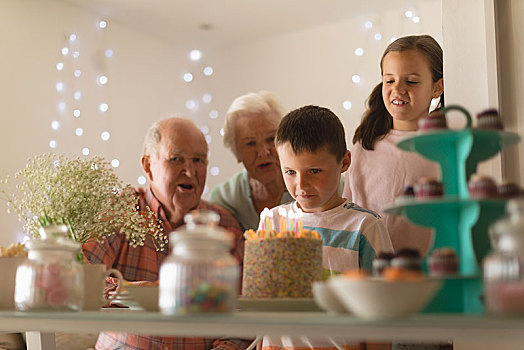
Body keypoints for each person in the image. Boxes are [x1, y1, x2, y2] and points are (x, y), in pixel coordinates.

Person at [82, 117, 251, 350]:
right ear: (148, 165)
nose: (190, 171)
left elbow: (242, 319)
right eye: (176, 159)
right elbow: (83, 278)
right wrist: (140, 293)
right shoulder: (121, 211)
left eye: (198, 160)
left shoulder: (226, 228)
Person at [262, 105, 393, 350]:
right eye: (290, 172)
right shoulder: (272, 223)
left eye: (314, 171)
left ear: (344, 162)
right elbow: (264, 311)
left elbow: (381, 316)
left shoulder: (365, 227)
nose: (301, 184)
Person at [343, 34, 444, 256]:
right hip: (372, 274)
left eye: (411, 81)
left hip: (427, 277)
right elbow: (347, 215)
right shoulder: (364, 147)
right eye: (390, 80)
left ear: (437, 88)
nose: (397, 89)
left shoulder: (445, 148)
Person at [209, 91, 294, 231]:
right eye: (250, 143)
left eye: (270, 139)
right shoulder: (224, 200)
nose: (263, 152)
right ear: (236, 152)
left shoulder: (320, 183)